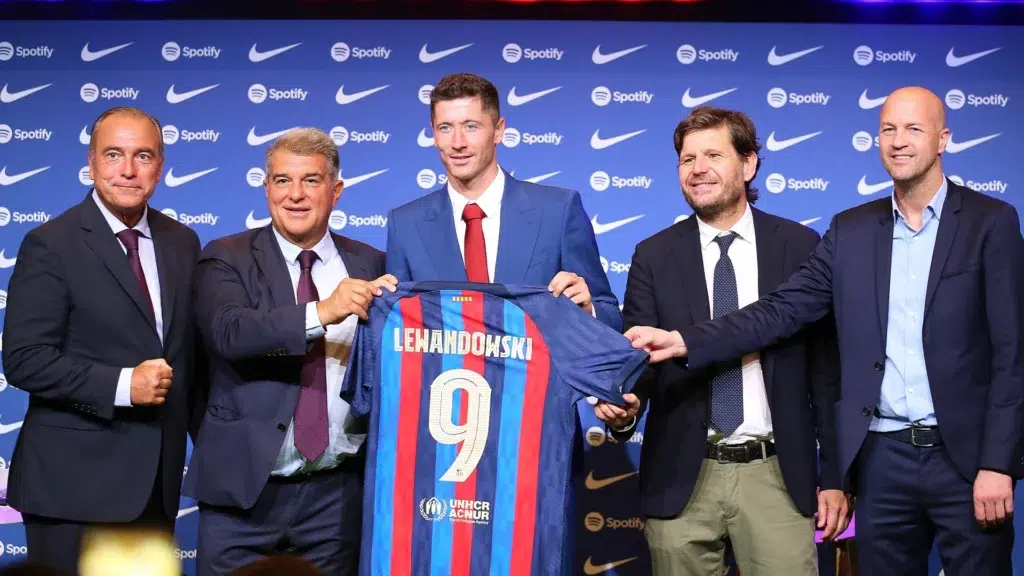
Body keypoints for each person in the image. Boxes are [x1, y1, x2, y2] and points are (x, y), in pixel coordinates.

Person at [626, 87, 1024, 575]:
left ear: (942, 140)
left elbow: (1012, 355)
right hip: (880, 462)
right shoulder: (850, 231)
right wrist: (688, 341)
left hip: (964, 462)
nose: (898, 141)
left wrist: (998, 463)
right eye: (888, 129)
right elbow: (780, 310)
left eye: (913, 129)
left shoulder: (992, 223)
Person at [592, 106, 848, 576]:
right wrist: (626, 410)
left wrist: (834, 478)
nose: (698, 169)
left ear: (748, 164)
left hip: (777, 474)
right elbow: (641, 366)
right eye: (687, 159)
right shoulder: (653, 254)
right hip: (681, 482)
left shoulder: (799, 246)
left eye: (713, 154)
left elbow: (826, 375)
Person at [183, 128, 396, 576]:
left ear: (336, 190)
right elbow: (231, 332)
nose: (294, 195)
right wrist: (325, 310)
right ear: (266, 188)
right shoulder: (225, 256)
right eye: (282, 180)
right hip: (243, 496)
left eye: (311, 181)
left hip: (336, 498)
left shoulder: (373, 263)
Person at [1, 106, 203, 571]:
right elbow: (25, 359)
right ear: (91, 163)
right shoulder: (51, 243)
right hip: (72, 490)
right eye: (114, 154)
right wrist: (121, 384)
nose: (128, 170)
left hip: (155, 485)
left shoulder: (182, 242)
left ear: (161, 166)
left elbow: (189, 356)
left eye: (143, 155)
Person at [385, 72, 621, 330]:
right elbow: (395, 330)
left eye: (471, 126)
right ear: (433, 133)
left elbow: (611, 317)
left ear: (498, 131)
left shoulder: (558, 210)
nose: (457, 143)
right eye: (445, 128)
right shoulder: (405, 224)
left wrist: (588, 310)